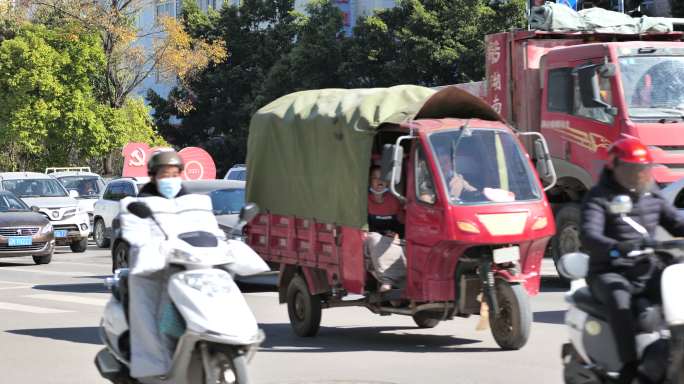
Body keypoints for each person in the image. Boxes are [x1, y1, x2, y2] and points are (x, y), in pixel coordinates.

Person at [580, 138, 684, 384]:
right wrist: (617, 247)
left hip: (648, 268)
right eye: (631, 169)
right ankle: (630, 366)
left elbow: (675, 222)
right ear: (613, 166)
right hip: (610, 270)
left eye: (643, 169)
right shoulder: (599, 197)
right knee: (620, 300)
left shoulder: (651, 194)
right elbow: (589, 236)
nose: (638, 175)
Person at [366, 165, 406, 292]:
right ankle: (387, 280)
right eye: (375, 178)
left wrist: (397, 234)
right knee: (373, 239)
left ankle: (400, 283)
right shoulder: (364, 200)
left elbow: (402, 224)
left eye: (383, 178)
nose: (380, 181)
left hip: (391, 240)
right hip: (371, 240)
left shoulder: (394, 201)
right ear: (370, 181)